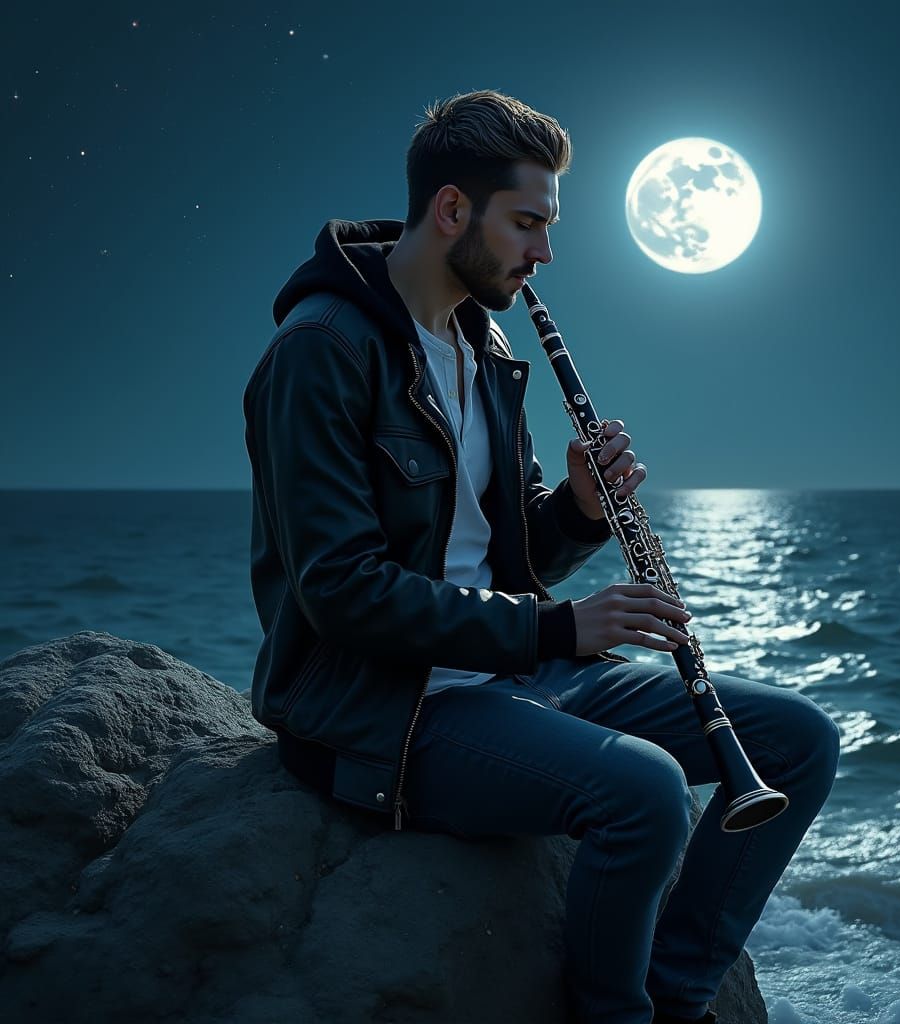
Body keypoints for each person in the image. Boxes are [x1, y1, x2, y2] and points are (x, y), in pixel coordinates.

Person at [242, 89, 841, 1024]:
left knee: (799, 739)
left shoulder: (482, 344)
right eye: (527, 223)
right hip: (387, 711)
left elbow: (509, 554)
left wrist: (577, 509)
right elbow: (341, 593)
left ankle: (680, 998)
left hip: (511, 678)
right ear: (452, 209)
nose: (546, 252)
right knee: (646, 793)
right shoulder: (321, 350)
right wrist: (556, 630)